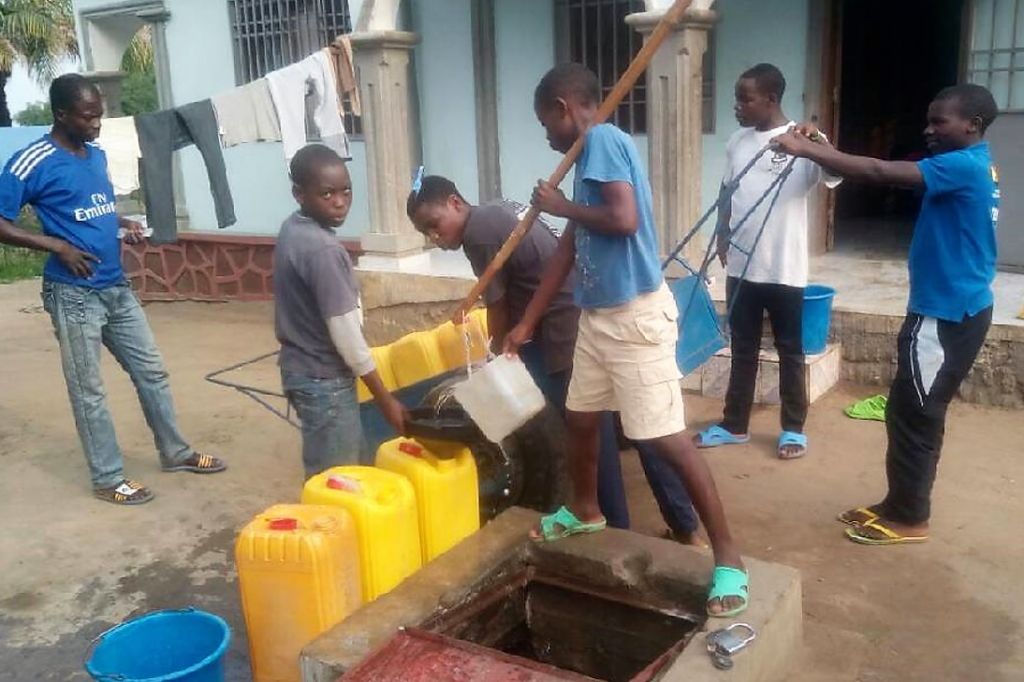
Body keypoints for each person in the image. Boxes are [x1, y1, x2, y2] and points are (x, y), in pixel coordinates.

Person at [504, 63, 747, 616]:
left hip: (636, 319)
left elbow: (623, 218)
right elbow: (569, 246)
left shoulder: (605, 140)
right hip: (598, 318)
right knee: (583, 416)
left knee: (665, 439)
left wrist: (560, 204)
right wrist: (528, 322)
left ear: (565, 108)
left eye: (546, 123)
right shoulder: (586, 159)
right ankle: (586, 511)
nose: (545, 136)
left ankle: (728, 559)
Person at [407, 175, 702, 544]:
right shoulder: (496, 209)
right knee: (636, 421)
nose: (435, 237)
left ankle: (613, 530)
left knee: (588, 428)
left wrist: (494, 357)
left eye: (433, 225)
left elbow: (498, 306)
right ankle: (684, 525)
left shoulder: (478, 232)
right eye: (426, 233)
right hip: (572, 310)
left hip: (561, 325)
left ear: (454, 202)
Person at [772, 83, 1000, 545]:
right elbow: (870, 166)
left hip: (945, 316)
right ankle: (899, 503)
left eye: (940, 122)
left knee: (918, 415)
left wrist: (803, 151)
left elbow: (878, 170)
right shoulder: (973, 163)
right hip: (948, 309)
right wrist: (823, 147)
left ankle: (911, 517)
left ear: (972, 126)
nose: (928, 129)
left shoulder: (960, 166)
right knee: (904, 409)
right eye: (929, 120)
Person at [0, 74, 226, 506]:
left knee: (152, 372)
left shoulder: (96, 155)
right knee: (90, 390)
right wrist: (56, 245)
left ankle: (175, 452)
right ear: (61, 114)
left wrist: (120, 224)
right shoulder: (32, 160)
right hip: (73, 293)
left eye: (99, 116)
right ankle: (107, 477)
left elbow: (93, 207)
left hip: (115, 287)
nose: (96, 125)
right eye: (88, 117)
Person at [694, 63, 841, 459]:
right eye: (736, 99)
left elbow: (835, 169)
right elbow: (727, 190)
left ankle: (793, 429)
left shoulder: (803, 140)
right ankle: (734, 424)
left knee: (790, 350)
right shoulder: (738, 142)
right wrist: (721, 234)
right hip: (742, 265)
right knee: (742, 348)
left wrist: (816, 140)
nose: (737, 107)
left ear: (771, 99)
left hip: (784, 269)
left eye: (746, 99)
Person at [274, 144, 406, 480]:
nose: (339, 201)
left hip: (301, 371)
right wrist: (386, 400)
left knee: (351, 471)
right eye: (327, 193)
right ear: (299, 194)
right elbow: (347, 338)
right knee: (336, 483)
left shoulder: (293, 228)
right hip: (324, 381)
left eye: (346, 190)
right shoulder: (324, 250)